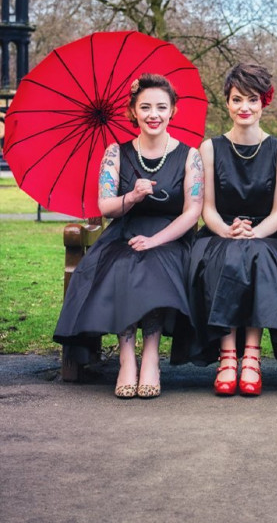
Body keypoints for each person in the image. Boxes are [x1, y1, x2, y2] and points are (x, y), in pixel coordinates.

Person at [54, 73, 204, 399]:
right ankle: (126, 357)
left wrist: (157, 240)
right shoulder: (116, 153)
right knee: (124, 264)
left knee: (153, 263)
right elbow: (105, 205)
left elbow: (193, 211)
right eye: (145, 106)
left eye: (161, 107)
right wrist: (132, 197)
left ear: (173, 111)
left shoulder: (189, 155)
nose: (154, 114)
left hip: (171, 237)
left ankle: (150, 356)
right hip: (124, 232)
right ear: (133, 111)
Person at [186, 63, 277, 397]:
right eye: (237, 99)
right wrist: (226, 229)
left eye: (252, 100)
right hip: (220, 231)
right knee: (227, 255)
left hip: (268, 234)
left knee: (255, 255)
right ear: (227, 102)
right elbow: (206, 207)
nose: (244, 108)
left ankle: (251, 355)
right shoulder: (209, 148)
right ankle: (227, 355)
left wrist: (255, 232)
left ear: (263, 102)